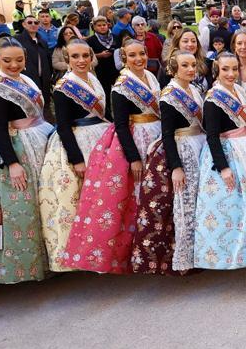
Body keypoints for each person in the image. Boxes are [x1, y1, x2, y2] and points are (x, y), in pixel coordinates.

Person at [61, 38, 161, 273]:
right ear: (124, 58)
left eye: (141, 54)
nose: (138, 59)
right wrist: (133, 158)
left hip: (155, 133)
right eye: (132, 55)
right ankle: (136, 249)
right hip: (138, 139)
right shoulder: (121, 85)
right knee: (138, 194)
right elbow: (121, 125)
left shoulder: (151, 76)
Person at [0, 39, 54, 284]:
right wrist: (12, 163)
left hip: (39, 136)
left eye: (19, 60)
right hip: (17, 145)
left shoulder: (25, 79)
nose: (14, 65)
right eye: (7, 61)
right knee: (24, 204)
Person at [193, 52, 246, 269]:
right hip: (228, 153)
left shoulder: (239, 90)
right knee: (237, 207)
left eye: (234, 69)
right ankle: (234, 255)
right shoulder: (213, 99)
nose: (231, 74)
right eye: (225, 69)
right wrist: (223, 168)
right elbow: (212, 136)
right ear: (217, 70)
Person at [128, 52, 207, 274]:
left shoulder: (194, 89)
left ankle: (202, 253)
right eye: (185, 65)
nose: (191, 69)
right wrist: (176, 168)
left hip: (199, 144)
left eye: (193, 65)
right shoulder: (169, 96)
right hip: (183, 149)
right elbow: (168, 134)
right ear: (174, 69)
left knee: (200, 202)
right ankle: (185, 260)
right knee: (185, 204)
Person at [38, 39, 108, 271]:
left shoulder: (93, 79)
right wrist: (76, 160)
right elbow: (64, 127)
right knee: (79, 200)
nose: (81, 60)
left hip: (100, 137)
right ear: (67, 59)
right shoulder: (63, 87)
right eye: (75, 56)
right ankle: (82, 254)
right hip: (78, 142)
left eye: (85, 56)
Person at [15, 15, 55, 99]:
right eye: (30, 22)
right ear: (24, 24)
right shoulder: (17, 40)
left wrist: (49, 75)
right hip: (27, 79)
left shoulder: (43, 42)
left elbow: (48, 60)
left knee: (45, 101)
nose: (33, 24)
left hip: (44, 79)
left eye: (36, 23)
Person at [159, 29, 210, 93]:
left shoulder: (207, 63)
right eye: (185, 41)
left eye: (193, 41)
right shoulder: (168, 66)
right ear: (177, 44)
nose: (190, 44)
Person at [86, 15, 119, 102]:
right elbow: (88, 55)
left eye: (104, 25)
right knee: (105, 93)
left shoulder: (115, 37)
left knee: (119, 92)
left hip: (115, 69)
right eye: (99, 25)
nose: (102, 27)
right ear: (94, 27)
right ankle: (107, 109)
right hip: (101, 70)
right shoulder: (91, 40)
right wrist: (99, 55)